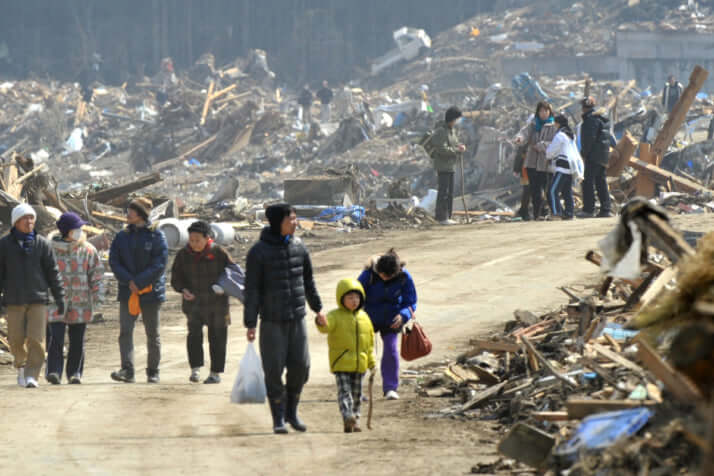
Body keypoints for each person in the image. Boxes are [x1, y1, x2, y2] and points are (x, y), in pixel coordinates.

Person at [244, 203, 325, 434]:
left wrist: (318, 309)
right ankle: (278, 417)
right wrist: (250, 323)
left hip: (297, 317)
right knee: (273, 369)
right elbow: (252, 290)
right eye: (291, 219)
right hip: (271, 320)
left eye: (295, 218)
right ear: (278, 221)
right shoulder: (258, 252)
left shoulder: (300, 247)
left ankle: (292, 412)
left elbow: (308, 282)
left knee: (301, 367)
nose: (295, 222)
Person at [0, 204, 64, 388]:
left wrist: (59, 297)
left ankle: (32, 375)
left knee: (37, 339)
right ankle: (21, 365)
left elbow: (53, 272)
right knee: (15, 338)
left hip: (38, 298)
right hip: (14, 299)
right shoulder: (4, 245)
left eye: (31, 218)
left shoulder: (42, 243)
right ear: (15, 222)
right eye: (25, 218)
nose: (29, 222)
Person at [109, 198, 168, 384]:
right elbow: (114, 261)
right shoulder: (122, 236)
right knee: (125, 331)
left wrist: (140, 282)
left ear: (141, 214)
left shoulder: (156, 236)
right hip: (128, 292)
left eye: (131, 212)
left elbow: (160, 264)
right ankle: (127, 370)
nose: (127, 215)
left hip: (151, 292)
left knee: (153, 334)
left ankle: (153, 371)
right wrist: (129, 281)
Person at [170, 220, 233, 384]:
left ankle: (215, 373)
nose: (194, 244)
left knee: (218, 337)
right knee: (194, 336)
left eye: (198, 240)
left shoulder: (219, 252)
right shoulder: (183, 255)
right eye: (191, 240)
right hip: (194, 304)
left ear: (207, 238)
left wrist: (223, 286)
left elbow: (234, 275)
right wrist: (183, 290)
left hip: (218, 304)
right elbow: (176, 278)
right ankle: (195, 369)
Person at [46, 212, 104, 385]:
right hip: (55, 302)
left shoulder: (87, 250)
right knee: (55, 339)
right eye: (76, 228)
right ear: (66, 231)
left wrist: (97, 296)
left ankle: (75, 373)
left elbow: (97, 275)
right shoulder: (49, 250)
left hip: (81, 303)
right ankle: (54, 372)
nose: (80, 231)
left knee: (77, 340)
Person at [315, 278, 376, 433]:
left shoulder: (365, 318)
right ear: (341, 299)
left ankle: (354, 420)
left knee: (357, 394)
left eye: (357, 297)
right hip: (341, 363)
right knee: (345, 392)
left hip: (359, 365)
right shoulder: (335, 316)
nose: (354, 301)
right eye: (350, 298)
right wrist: (320, 321)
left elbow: (369, 344)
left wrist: (372, 363)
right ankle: (347, 415)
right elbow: (325, 328)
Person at [357, 249, 417, 400]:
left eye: (388, 277)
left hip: (392, 319)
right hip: (368, 318)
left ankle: (390, 388)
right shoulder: (368, 275)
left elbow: (410, 301)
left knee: (391, 350)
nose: (384, 279)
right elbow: (354, 294)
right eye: (382, 275)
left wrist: (404, 315)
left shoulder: (404, 277)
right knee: (363, 352)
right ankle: (356, 389)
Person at [516, 101, 557, 219]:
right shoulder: (533, 125)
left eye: (545, 111)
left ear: (550, 112)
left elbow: (556, 143)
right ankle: (536, 215)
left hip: (546, 164)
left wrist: (541, 146)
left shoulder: (554, 127)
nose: (543, 113)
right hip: (532, 163)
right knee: (534, 190)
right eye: (541, 111)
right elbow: (523, 133)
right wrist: (519, 138)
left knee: (547, 190)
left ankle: (552, 212)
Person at [429, 106, 467, 225]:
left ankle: (448, 216)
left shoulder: (452, 130)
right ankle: (441, 217)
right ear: (452, 118)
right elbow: (441, 149)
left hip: (451, 165)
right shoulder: (441, 131)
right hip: (443, 165)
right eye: (457, 119)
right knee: (443, 192)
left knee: (450, 192)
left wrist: (460, 147)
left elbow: (453, 144)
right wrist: (456, 150)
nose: (458, 121)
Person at [578, 97, 613, 218]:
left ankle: (588, 209)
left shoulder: (590, 120)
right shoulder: (602, 119)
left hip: (593, 156)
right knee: (600, 182)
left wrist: (583, 154)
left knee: (587, 182)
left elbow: (589, 139)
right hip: (602, 156)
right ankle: (606, 209)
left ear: (584, 108)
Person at [546, 115, 583, 220]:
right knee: (567, 192)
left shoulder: (560, 136)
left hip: (562, 167)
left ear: (558, 124)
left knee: (553, 191)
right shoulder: (571, 135)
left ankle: (556, 213)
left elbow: (550, 152)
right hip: (571, 167)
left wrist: (548, 151)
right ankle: (569, 213)